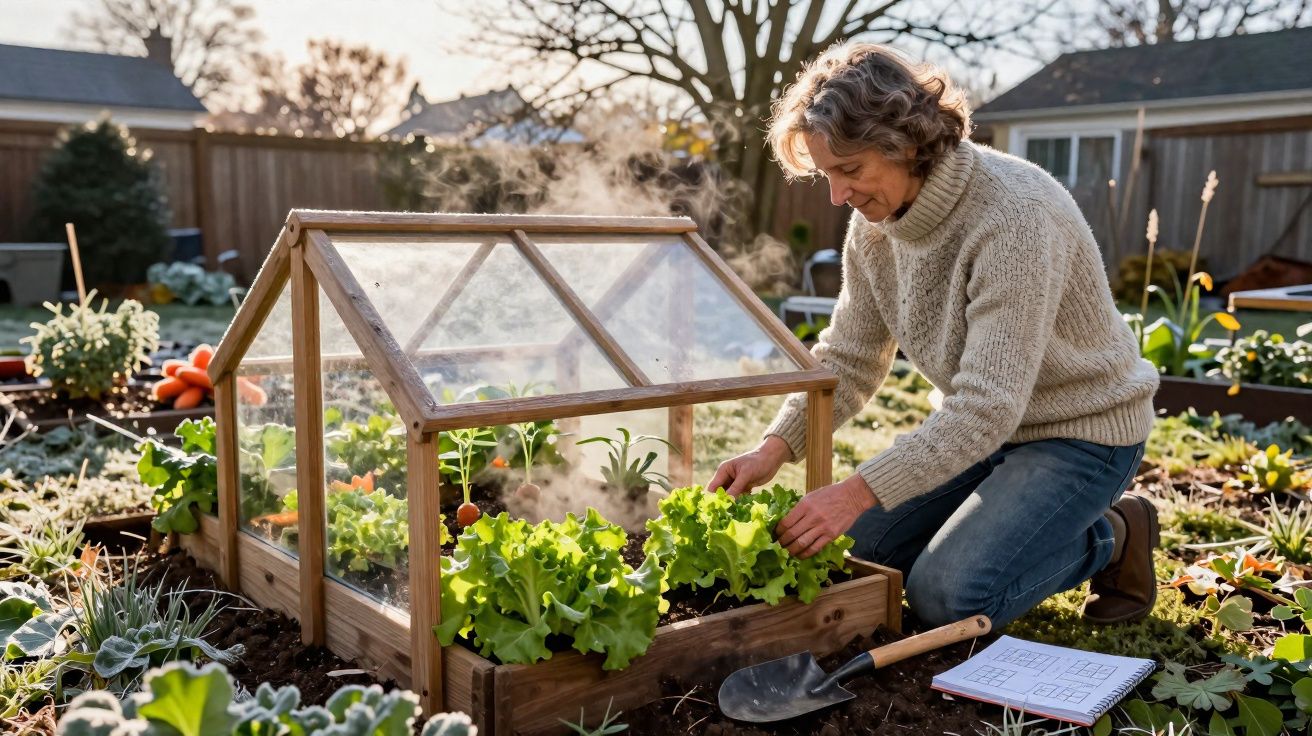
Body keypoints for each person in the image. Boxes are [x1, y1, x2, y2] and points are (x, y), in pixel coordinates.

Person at [706, 43, 1160, 628]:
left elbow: (987, 406)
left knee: (946, 598)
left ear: (907, 145)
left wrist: (854, 493)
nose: (837, 195)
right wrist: (773, 450)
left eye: (850, 170)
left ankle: (1113, 535)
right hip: (984, 436)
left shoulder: (1016, 216)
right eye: (826, 174)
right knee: (857, 557)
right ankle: (992, 528)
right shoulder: (873, 228)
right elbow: (849, 358)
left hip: (1082, 434)